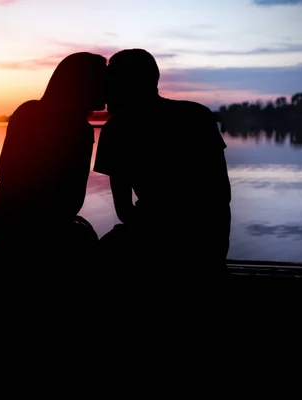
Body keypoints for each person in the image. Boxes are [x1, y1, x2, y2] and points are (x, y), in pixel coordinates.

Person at [94, 48, 231, 282]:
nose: (104, 91)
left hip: (157, 238)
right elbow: (221, 195)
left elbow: (125, 210)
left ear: (126, 84)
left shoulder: (116, 130)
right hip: (209, 239)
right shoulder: (198, 115)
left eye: (110, 82)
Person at [0, 52, 107, 286]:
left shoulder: (26, 111)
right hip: (41, 235)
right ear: (85, 84)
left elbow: (3, 171)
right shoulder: (79, 130)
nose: (108, 87)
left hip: (0, 223)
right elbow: (72, 202)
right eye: (103, 80)